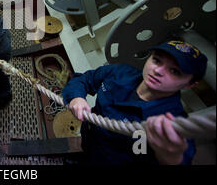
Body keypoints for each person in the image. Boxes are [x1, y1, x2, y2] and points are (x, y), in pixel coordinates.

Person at [62, 40, 208, 165]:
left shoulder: (173, 123)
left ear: (189, 84)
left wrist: (171, 157)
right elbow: (85, 80)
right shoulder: (120, 72)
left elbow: (182, 156)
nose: (158, 70)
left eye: (175, 71)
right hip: (88, 139)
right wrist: (77, 97)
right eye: (156, 60)